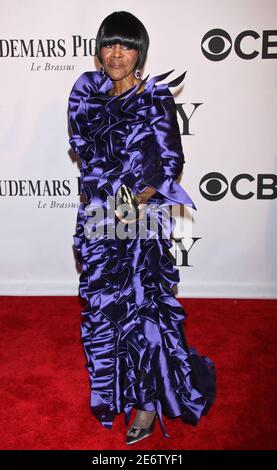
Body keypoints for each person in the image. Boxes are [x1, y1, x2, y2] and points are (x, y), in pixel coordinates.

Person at [68, 10, 216, 445]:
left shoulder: (155, 100)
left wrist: (136, 200)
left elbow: (171, 163)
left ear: (140, 54)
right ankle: (116, 388)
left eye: (127, 45)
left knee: (144, 310)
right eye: (110, 44)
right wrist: (102, 204)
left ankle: (150, 403)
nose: (117, 53)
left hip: (140, 220)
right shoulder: (85, 98)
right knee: (105, 308)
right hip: (98, 218)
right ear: (99, 51)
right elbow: (86, 158)